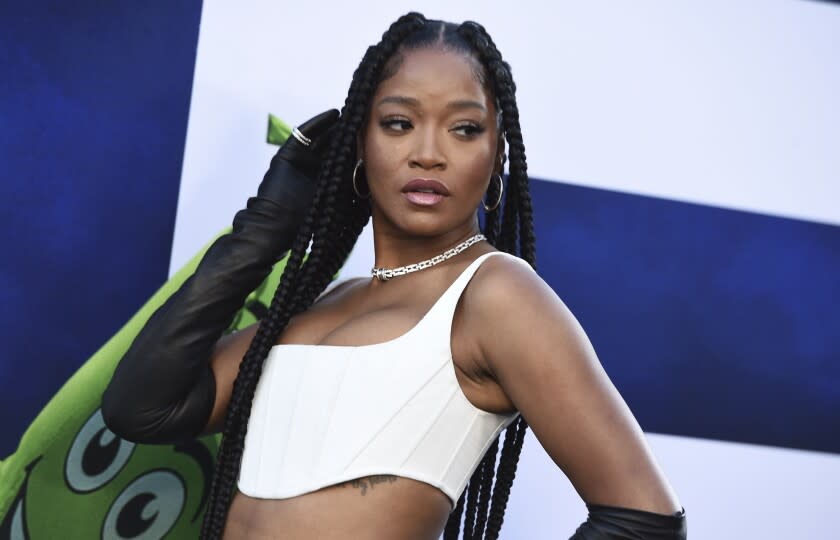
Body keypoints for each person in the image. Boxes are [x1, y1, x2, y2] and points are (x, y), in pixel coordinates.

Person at [102, 12, 687, 540]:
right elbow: (143, 408)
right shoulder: (327, 303)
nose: (428, 153)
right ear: (361, 141)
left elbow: (645, 522)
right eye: (399, 123)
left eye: (464, 129)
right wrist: (268, 225)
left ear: (497, 153)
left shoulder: (494, 295)